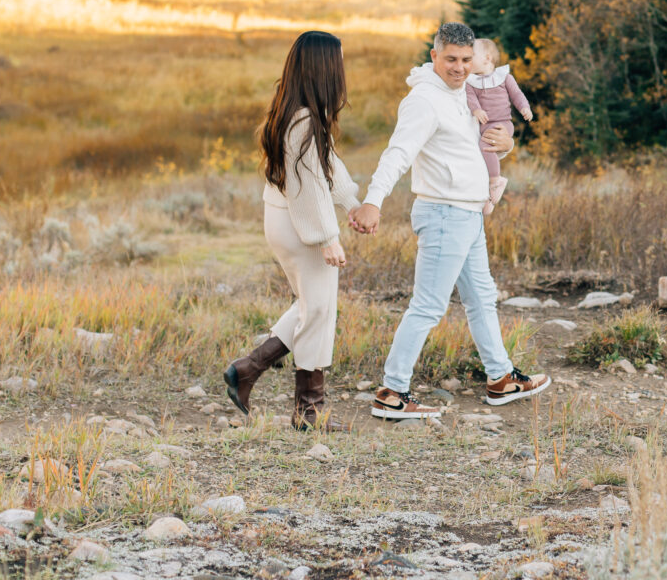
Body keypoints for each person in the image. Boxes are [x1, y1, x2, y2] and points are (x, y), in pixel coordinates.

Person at [350, 22, 551, 419]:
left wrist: (506, 145)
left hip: (468, 213)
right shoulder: (425, 100)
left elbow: (472, 150)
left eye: (465, 60)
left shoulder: (463, 94)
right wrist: (373, 201)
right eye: (451, 60)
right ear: (434, 57)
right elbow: (398, 153)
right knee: (427, 305)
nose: (459, 67)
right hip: (444, 213)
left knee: (481, 297)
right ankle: (392, 391)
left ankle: (501, 378)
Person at [224, 30, 360, 432]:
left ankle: (248, 369)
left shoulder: (297, 111)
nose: (342, 71)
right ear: (324, 69)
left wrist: (353, 203)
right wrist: (327, 237)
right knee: (318, 310)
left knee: (310, 305)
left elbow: (328, 168)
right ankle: (308, 411)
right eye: (338, 63)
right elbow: (307, 187)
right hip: (300, 226)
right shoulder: (303, 120)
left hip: (283, 221)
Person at [466, 37, 534, 215]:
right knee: (484, 151)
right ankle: (488, 197)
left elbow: (517, 95)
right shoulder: (471, 82)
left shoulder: (504, 77)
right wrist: (476, 110)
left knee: (485, 146)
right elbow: (471, 99)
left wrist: (525, 108)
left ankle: (495, 181)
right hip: (485, 124)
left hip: (503, 123)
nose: (467, 60)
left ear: (487, 58)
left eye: (471, 56)